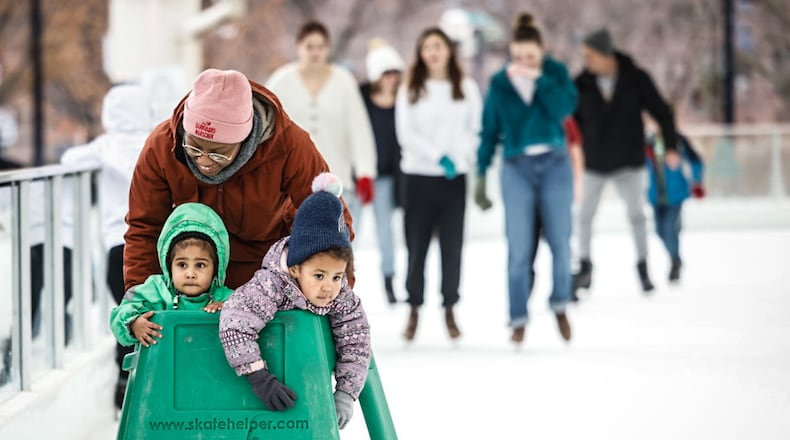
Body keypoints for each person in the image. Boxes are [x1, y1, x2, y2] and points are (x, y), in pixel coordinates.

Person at [123, 68, 354, 294]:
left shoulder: (288, 146)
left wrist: (334, 292)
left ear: (244, 140)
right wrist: (140, 298)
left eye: (218, 152)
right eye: (194, 147)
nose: (204, 160)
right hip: (192, 279)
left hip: (267, 276)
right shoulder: (162, 146)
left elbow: (329, 220)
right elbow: (145, 227)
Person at [219, 173, 370, 430]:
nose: (328, 287)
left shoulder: (342, 296)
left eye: (336, 276)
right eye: (319, 275)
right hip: (259, 401)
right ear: (294, 268)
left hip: (309, 391)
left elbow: (357, 340)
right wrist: (258, 376)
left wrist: (346, 393)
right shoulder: (270, 285)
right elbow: (235, 323)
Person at [475, 13, 577, 344]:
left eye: (530, 57)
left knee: (561, 243)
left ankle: (560, 303)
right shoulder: (500, 84)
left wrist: (538, 78)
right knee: (519, 248)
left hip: (555, 165)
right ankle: (518, 316)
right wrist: (480, 173)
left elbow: (563, 109)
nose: (524, 63)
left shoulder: (555, 73)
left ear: (541, 52)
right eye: (518, 58)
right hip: (516, 168)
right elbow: (490, 131)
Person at [59, 83, 150, 409]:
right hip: (152, 244)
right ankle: (150, 377)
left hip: (118, 245)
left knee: (127, 314)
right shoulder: (153, 143)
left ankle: (124, 380)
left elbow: (69, 158)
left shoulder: (103, 147)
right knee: (154, 312)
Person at [573, 28, 680, 295]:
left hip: (628, 162)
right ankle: (585, 267)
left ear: (605, 54)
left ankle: (643, 268)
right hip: (594, 163)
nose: (586, 61)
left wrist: (671, 146)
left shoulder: (636, 79)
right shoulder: (581, 84)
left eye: (590, 55)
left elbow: (662, 112)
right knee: (584, 217)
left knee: (636, 217)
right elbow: (570, 123)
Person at [395, 27, 481, 341]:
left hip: (453, 179)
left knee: (452, 246)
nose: (433, 52)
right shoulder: (411, 89)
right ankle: (414, 308)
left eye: (439, 46)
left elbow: (476, 130)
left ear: (448, 51)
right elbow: (407, 134)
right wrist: (437, 155)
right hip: (419, 176)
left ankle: (450, 307)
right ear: (420, 53)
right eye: (427, 47)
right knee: (416, 247)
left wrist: (458, 160)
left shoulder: (466, 88)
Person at [266, 20, 377, 225]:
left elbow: (358, 128)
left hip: (336, 177)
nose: (315, 52)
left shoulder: (344, 81)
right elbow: (266, 126)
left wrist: (365, 171)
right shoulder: (281, 81)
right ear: (299, 47)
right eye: (309, 47)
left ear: (327, 49)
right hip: (291, 180)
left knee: (338, 244)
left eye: (320, 47)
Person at [110, 202, 232, 348]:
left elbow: (251, 315)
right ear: (169, 266)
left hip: (208, 368)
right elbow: (120, 314)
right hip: (162, 367)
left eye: (200, 265)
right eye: (182, 265)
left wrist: (229, 309)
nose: (190, 274)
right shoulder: (156, 292)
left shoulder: (224, 297)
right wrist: (133, 323)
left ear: (215, 268)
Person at [359, 38, 406, 304]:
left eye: (394, 73)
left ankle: (389, 280)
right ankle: (342, 279)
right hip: (361, 175)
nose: (390, 79)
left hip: (387, 177)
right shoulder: (361, 98)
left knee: (386, 231)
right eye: (386, 73)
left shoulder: (404, 101)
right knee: (349, 231)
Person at [645, 130, 705, 282]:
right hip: (655, 195)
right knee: (660, 231)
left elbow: (696, 161)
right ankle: (675, 259)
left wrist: (696, 182)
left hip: (675, 195)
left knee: (670, 227)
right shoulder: (648, 141)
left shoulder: (678, 140)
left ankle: (674, 263)